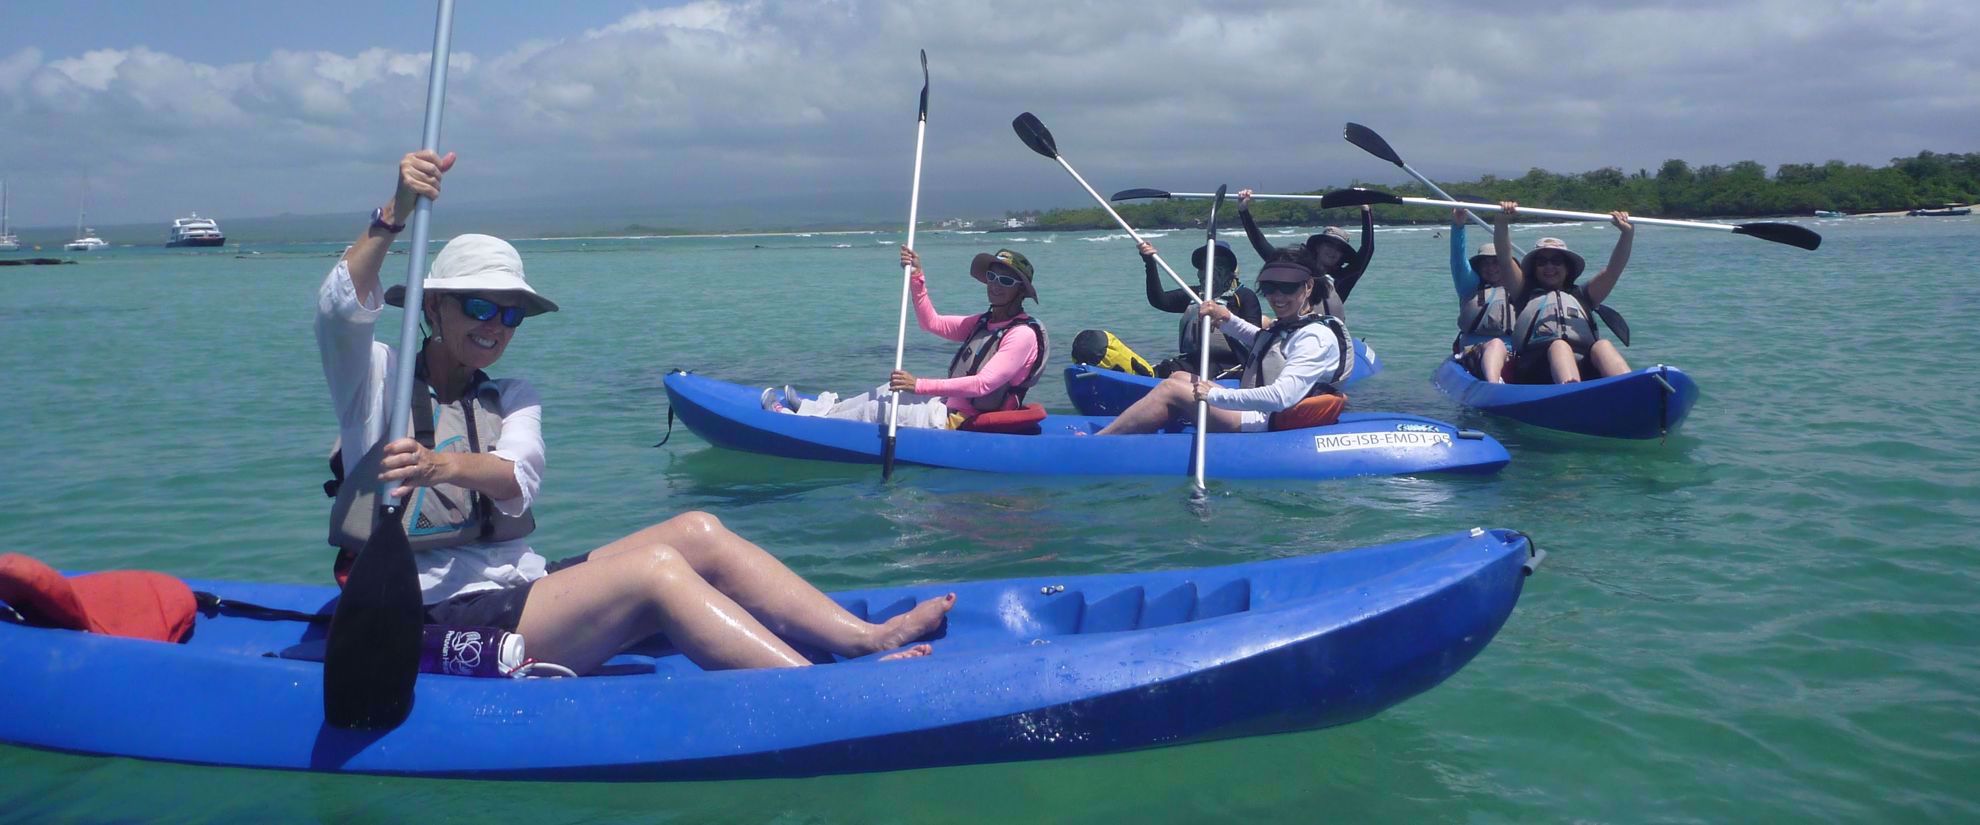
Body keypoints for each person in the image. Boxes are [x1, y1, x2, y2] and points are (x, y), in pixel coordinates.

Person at [317, 149, 951, 675]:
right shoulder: (375, 380)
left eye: (510, 314)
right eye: (479, 307)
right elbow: (340, 309)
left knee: (698, 529)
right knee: (656, 571)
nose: (497, 326)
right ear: (434, 310)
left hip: (521, 587)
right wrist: (394, 214)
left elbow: (518, 477)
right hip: (430, 609)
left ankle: (865, 638)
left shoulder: (511, 395)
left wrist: (442, 466)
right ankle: (811, 688)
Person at [771, 246, 1048, 429]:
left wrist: (918, 385)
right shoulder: (986, 322)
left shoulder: (1021, 335)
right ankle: (816, 411)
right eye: (992, 276)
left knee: (878, 411)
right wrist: (917, 277)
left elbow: (983, 385)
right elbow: (932, 323)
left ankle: (804, 425)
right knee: (883, 392)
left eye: (1006, 281)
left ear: (1021, 291)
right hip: (947, 405)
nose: (995, 286)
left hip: (961, 420)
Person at [1094, 259, 1350, 435]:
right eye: (1270, 289)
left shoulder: (1314, 338)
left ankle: (1102, 441)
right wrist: (1226, 319)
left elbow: (1282, 397)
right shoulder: (1296, 325)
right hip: (1263, 411)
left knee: (1172, 388)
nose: (1277, 297)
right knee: (1179, 376)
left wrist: (1214, 396)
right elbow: (1265, 343)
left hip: (1267, 420)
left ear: (1307, 287)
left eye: (1287, 288)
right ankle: (1162, 422)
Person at [1494, 201, 1635, 384]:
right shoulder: (1523, 292)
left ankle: (1629, 386)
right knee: (1560, 345)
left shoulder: (1583, 295)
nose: (1549, 266)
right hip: (1536, 370)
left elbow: (1614, 270)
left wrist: (1627, 234)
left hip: (1583, 367)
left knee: (1603, 345)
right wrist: (1502, 222)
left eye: (1556, 261)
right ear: (1534, 269)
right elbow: (1504, 258)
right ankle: (1571, 391)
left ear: (1567, 267)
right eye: (1542, 262)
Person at [1235, 188, 1375, 319]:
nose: (1333, 252)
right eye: (1329, 245)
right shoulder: (1296, 270)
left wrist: (1365, 210)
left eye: (1339, 249)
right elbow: (1262, 246)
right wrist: (1244, 211)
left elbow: (1367, 249)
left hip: (1328, 334)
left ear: (1342, 256)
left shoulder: (1344, 278)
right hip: (1296, 330)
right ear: (1318, 247)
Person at [1449, 208, 1520, 382]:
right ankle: (1493, 385)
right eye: (1485, 263)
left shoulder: (1519, 288)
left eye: (1496, 262)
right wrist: (1458, 225)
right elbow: (1458, 259)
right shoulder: (1469, 287)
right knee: (1496, 344)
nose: (1491, 267)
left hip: (1516, 354)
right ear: (1478, 268)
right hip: (1475, 352)